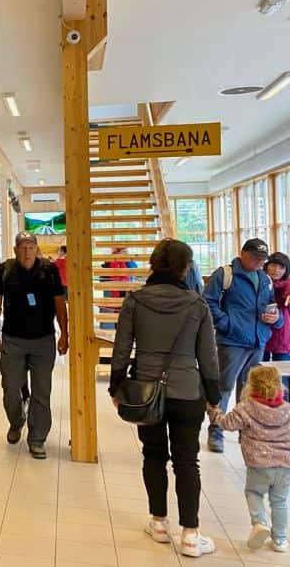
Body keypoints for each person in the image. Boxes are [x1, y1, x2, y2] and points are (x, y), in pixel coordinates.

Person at [109, 239, 220, 558]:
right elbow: (208, 356)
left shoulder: (135, 301)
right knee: (187, 460)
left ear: (153, 265)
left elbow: (121, 348)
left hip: (146, 391)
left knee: (153, 455)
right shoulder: (197, 305)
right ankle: (190, 534)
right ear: (186, 267)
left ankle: (158, 523)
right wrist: (213, 395)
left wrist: (117, 386)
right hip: (187, 391)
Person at [0, 231, 68, 459]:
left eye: (30, 247)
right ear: (15, 250)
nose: (27, 251)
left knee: (42, 392)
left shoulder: (49, 270)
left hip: (43, 340)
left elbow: (60, 304)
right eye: (22, 247)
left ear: (37, 248)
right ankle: (17, 422)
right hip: (13, 340)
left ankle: (37, 438)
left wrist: (65, 333)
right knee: (10, 389)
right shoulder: (4, 270)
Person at [204, 239, 285, 453]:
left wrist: (274, 320)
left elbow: (271, 308)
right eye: (255, 258)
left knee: (248, 389)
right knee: (224, 386)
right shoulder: (225, 274)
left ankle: (245, 430)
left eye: (262, 260)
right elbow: (208, 303)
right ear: (242, 254)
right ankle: (216, 431)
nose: (259, 263)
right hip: (232, 341)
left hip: (258, 341)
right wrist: (228, 324)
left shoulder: (264, 279)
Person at [209, 365, 290, 553]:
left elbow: (227, 424)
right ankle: (280, 539)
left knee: (254, 493)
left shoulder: (246, 407)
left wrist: (213, 412)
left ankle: (260, 522)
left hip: (258, 464)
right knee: (280, 501)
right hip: (285, 465)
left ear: (250, 386)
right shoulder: (287, 409)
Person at [99, 246, 138, 330]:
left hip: (127, 290)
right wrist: (110, 259)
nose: (119, 253)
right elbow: (102, 276)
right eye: (117, 250)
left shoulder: (128, 260)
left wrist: (126, 256)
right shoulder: (110, 261)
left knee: (128, 314)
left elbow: (135, 270)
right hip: (116, 291)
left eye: (121, 250)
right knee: (118, 315)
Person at [263, 253, 290, 362]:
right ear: (267, 266)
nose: (276, 270)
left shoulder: (287, 285)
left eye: (281, 267)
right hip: (262, 330)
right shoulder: (260, 282)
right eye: (273, 265)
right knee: (259, 371)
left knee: (282, 372)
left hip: (282, 333)